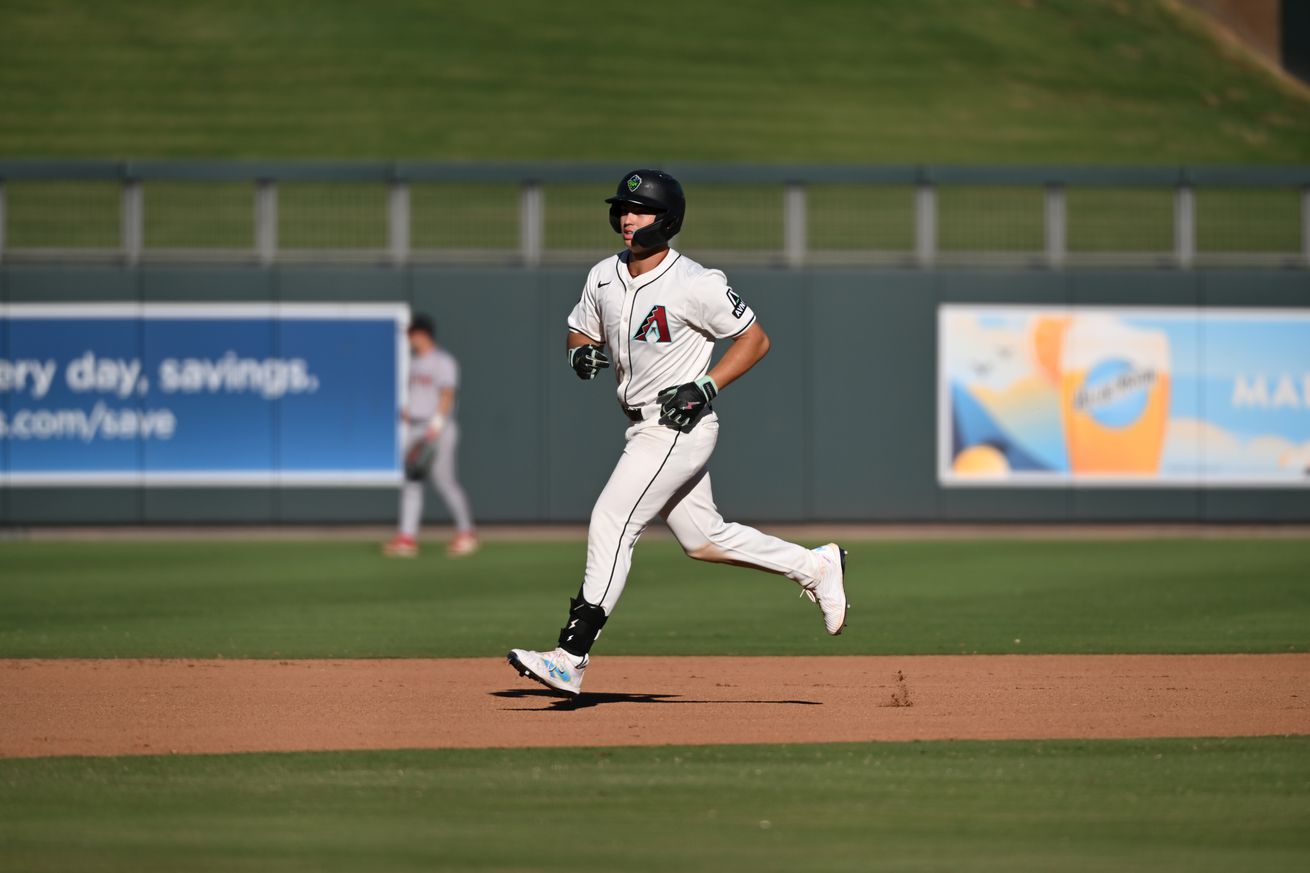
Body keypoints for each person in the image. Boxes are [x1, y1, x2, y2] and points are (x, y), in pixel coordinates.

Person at [507, 169, 848, 696]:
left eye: (639, 209)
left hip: (677, 426)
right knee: (704, 540)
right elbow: (581, 326)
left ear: (666, 219)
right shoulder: (603, 275)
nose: (627, 217)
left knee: (611, 519)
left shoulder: (696, 283)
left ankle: (570, 656)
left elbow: (755, 340)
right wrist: (579, 351)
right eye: (622, 207)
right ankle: (815, 565)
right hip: (642, 424)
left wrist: (707, 386)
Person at [383, 313, 478, 557]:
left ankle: (467, 533)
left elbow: (447, 395)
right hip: (416, 426)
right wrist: (409, 412)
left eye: (411, 334)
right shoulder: (415, 363)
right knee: (411, 483)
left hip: (438, 428)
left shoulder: (442, 362)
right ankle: (406, 538)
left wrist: (434, 427)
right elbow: (419, 396)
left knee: (445, 482)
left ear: (421, 334)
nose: (408, 339)